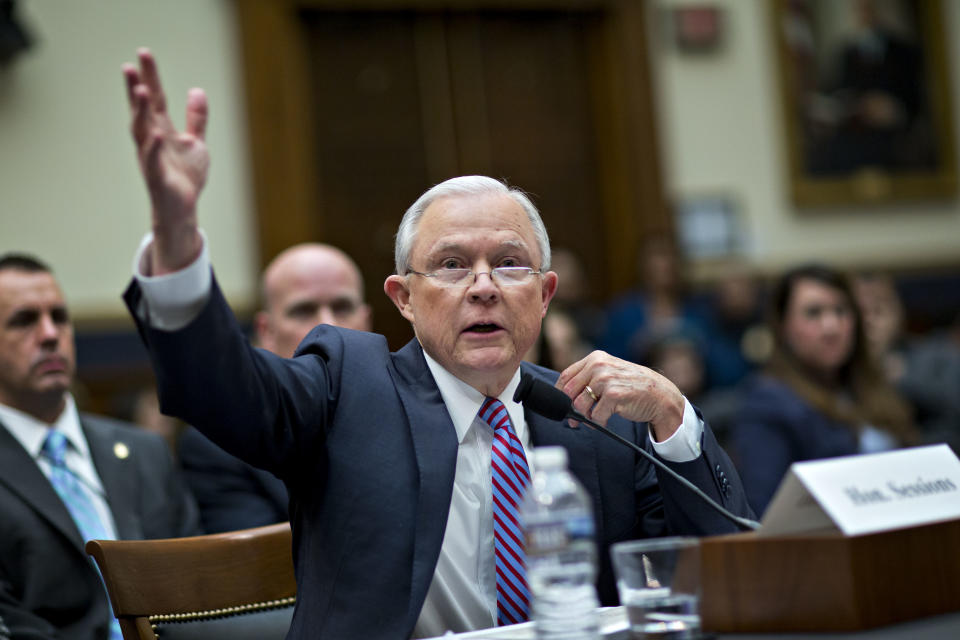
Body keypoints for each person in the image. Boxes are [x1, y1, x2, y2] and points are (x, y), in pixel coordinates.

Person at [121, 48, 752, 639]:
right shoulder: (349, 386)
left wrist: (673, 418)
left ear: (545, 292)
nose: (483, 287)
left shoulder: (594, 418)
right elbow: (222, 391)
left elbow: (723, 574)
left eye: (509, 263)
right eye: (451, 265)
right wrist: (176, 244)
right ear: (401, 297)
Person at [0, 253, 200, 640]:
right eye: (24, 321)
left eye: (59, 317)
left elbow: (200, 587)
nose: (49, 334)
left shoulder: (145, 452)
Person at [178, 242, 372, 533]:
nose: (329, 326)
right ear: (266, 331)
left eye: (343, 308)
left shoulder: (418, 407)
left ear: (366, 320)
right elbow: (261, 567)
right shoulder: (218, 442)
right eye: (304, 311)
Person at [731, 263, 915, 515]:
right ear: (783, 328)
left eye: (841, 311)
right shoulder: (767, 403)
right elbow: (767, 512)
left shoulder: (873, 387)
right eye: (813, 313)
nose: (832, 327)